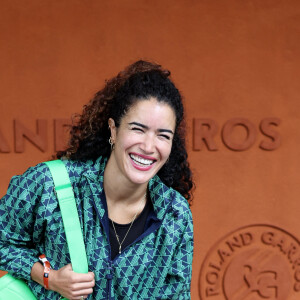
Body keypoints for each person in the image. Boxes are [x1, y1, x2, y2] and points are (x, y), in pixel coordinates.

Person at [0, 60, 194, 299]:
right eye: (137, 129)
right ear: (113, 129)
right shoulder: (50, 184)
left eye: (163, 135)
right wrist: (48, 277)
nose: (148, 146)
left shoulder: (175, 214)